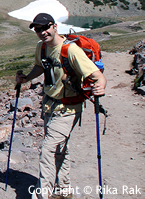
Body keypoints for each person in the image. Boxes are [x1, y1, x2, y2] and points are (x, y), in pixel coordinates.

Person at [15, 13, 106, 199]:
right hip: (49, 105)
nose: (42, 32)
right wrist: (27, 78)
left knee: (48, 149)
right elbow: (40, 66)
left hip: (68, 109)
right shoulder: (41, 47)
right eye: (38, 29)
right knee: (60, 148)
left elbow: (97, 76)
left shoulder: (70, 51)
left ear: (55, 26)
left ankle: (43, 195)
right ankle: (63, 189)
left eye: (46, 27)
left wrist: (101, 87)